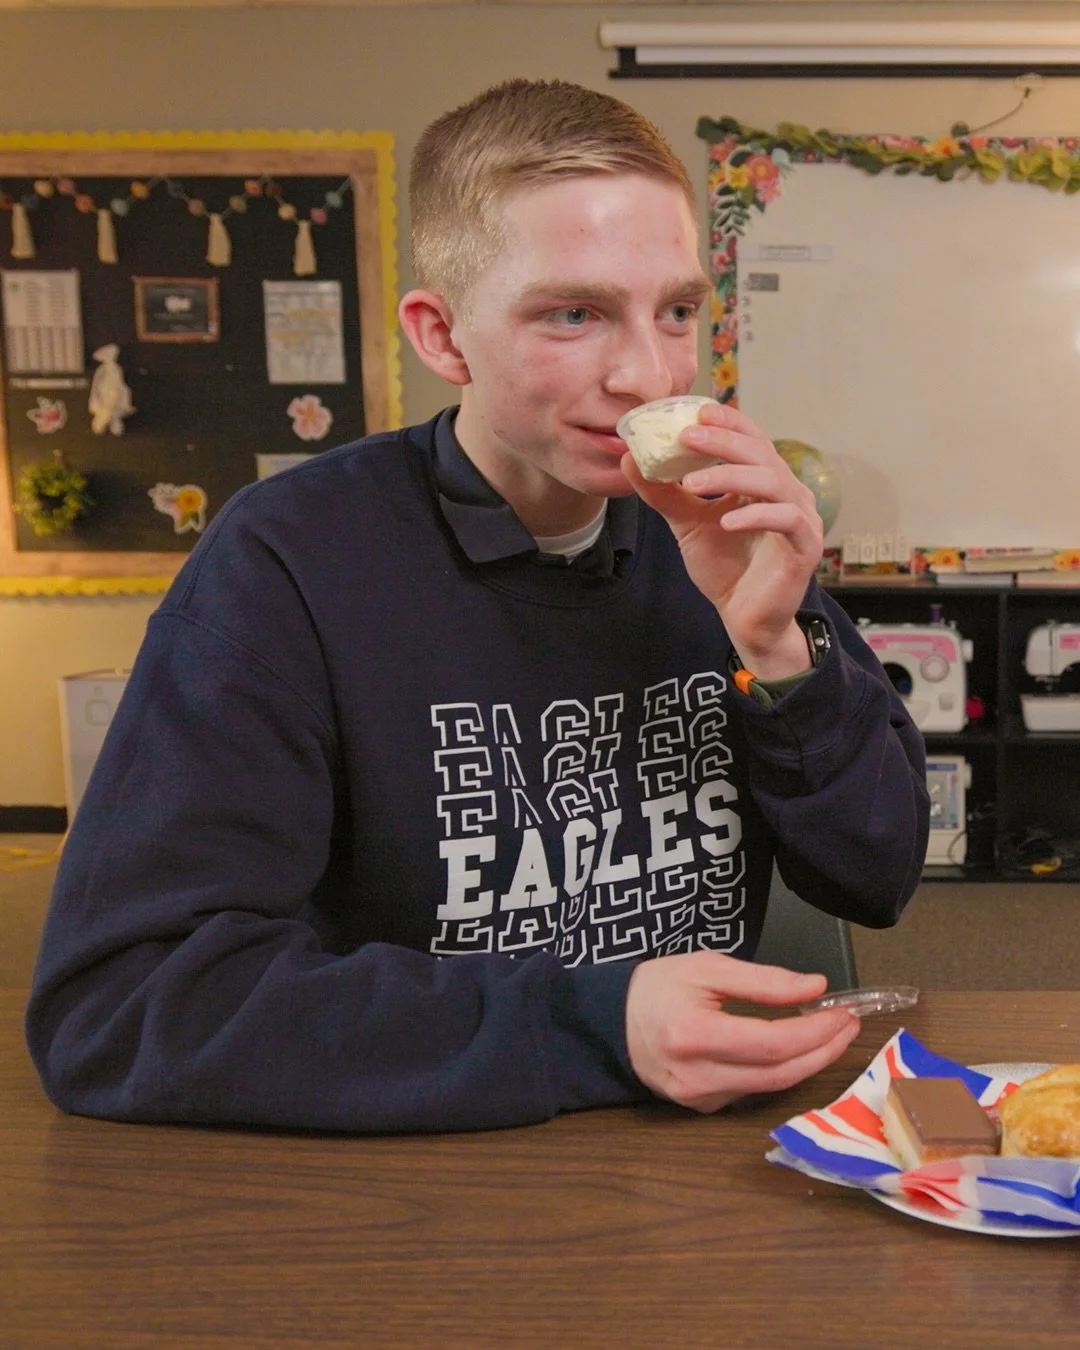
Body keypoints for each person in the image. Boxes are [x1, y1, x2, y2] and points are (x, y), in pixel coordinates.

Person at [26, 79, 928, 1133]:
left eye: (677, 311)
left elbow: (877, 873)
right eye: (574, 314)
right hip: (415, 1187)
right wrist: (595, 1022)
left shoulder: (724, 532)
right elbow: (124, 1006)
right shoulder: (287, 561)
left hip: (709, 1169)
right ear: (444, 338)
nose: (650, 373)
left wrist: (778, 647)